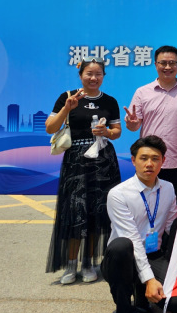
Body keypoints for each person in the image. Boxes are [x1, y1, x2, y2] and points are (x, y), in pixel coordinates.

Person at [101, 135, 177, 313]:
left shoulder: (168, 188)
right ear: (133, 161)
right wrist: (150, 279)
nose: (149, 163)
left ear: (163, 161)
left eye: (155, 159)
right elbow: (132, 238)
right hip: (123, 259)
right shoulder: (118, 194)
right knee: (122, 245)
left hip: (153, 254)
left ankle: (142, 297)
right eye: (144, 158)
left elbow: (172, 226)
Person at [45, 57, 122, 285]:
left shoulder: (109, 101)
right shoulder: (67, 97)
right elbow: (50, 127)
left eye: (98, 74)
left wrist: (106, 132)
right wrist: (66, 109)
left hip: (103, 161)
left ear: (103, 77)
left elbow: (117, 131)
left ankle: (88, 263)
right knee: (74, 211)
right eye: (89, 73)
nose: (93, 78)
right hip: (76, 161)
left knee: (96, 213)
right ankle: (71, 265)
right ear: (80, 75)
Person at [124, 46, 177, 208]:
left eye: (172, 63)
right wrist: (132, 123)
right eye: (163, 63)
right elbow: (133, 127)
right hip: (149, 161)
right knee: (146, 206)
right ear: (155, 64)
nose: (168, 67)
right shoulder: (142, 92)